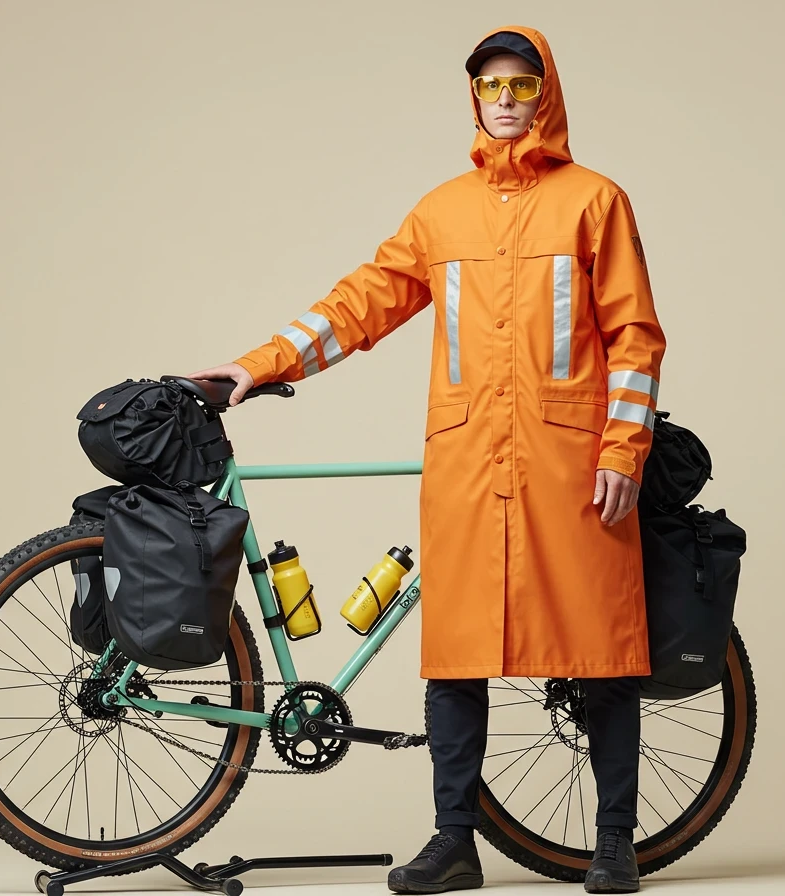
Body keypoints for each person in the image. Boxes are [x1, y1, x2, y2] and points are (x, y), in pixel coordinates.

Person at [188, 24, 665, 894]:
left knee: (598, 651)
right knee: (455, 651)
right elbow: (364, 302)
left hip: (571, 464)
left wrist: (625, 448)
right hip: (469, 461)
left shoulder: (597, 201)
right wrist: (258, 363)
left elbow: (634, 335)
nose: (509, 101)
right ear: (474, 97)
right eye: (493, 87)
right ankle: (454, 843)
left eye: (524, 86)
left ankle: (615, 844)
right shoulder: (442, 211)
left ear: (547, 93)